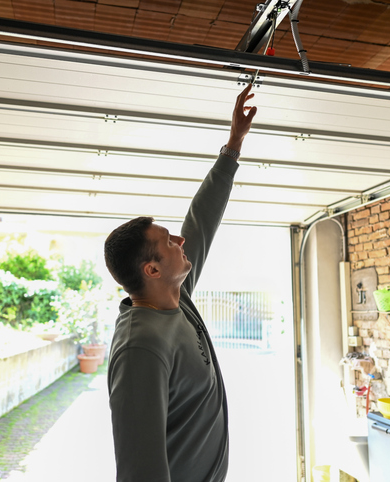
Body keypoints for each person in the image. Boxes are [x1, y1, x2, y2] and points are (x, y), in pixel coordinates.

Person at [103, 84, 257, 482]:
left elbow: (200, 221)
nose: (181, 240)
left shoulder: (176, 299)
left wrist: (233, 145)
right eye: (169, 242)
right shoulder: (142, 346)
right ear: (152, 270)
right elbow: (139, 470)